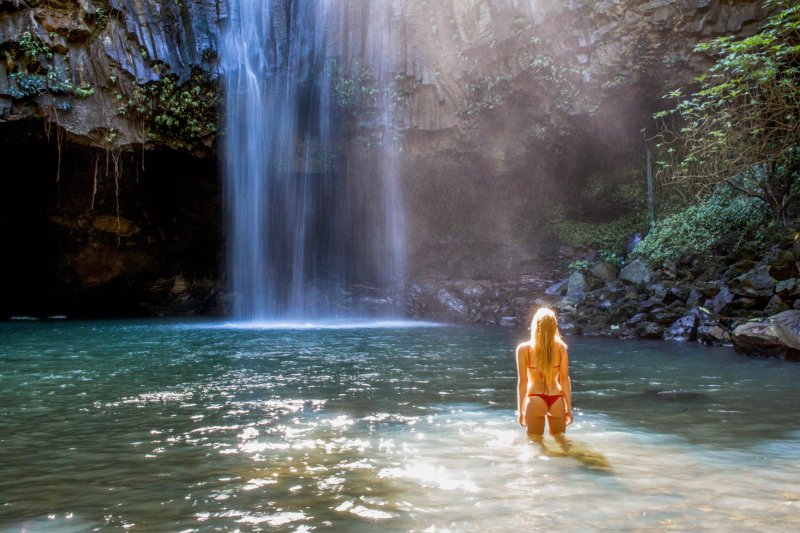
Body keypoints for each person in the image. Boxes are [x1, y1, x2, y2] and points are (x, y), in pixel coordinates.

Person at [516, 307, 573, 436]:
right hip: (556, 398)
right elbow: (564, 380)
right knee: (561, 442)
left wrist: (521, 411)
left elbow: (522, 383)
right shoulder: (561, 348)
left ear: (535, 326)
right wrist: (569, 408)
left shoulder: (523, 349)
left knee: (535, 443)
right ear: (554, 327)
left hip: (535, 398)